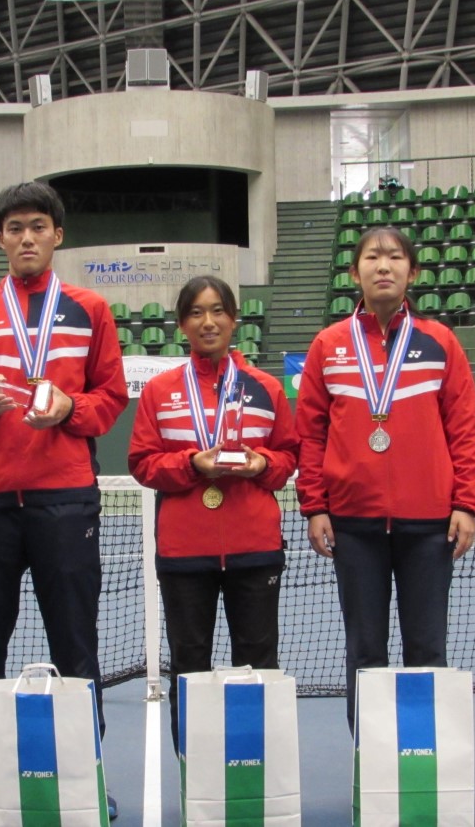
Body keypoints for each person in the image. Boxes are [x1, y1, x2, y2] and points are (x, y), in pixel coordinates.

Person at [0, 181, 129, 825]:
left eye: (37, 227)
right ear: (0, 239)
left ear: (57, 235)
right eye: (14, 228)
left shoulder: (90, 308)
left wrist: (72, 408)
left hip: (64, 499)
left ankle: (84, 771)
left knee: (76, 642)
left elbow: (111, 396)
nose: (26, 238)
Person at [295, 226, 475, 728]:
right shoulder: (328, 346)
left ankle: (425, 763)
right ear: (354, 273)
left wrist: (466, 503)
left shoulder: (441, 343)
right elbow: (309, 436)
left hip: (429, 525)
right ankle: (369, 763)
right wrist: (314, 506)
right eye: (372, 258)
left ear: (411, 272)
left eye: (395, 257)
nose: (383, 266)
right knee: (365, 651)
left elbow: (464, 430)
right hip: (354, 526)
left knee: (427, 648)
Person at [128, 276, 298, 751]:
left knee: (258, 661)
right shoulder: (161, 392)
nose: (209, 321)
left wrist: (263, 464)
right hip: (185, 553)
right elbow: (141, 463)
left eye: (219, 310)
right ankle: (194, 768)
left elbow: (287, 456)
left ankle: (255, 765)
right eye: (198, 312)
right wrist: (191, 464)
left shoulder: (265, 388)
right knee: (189, 664)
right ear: (183, 323)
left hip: (255, 549)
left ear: (234, 319)